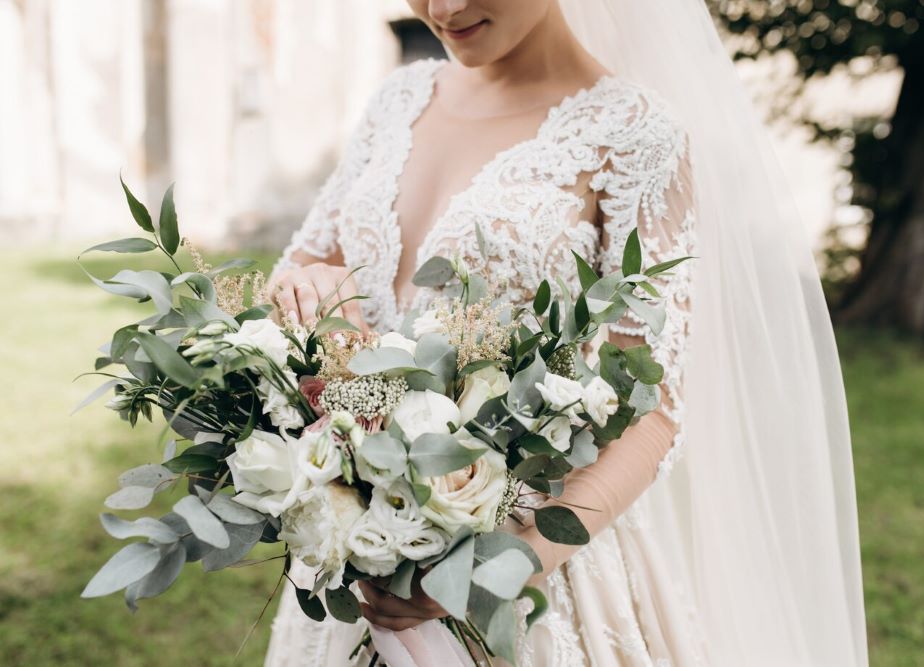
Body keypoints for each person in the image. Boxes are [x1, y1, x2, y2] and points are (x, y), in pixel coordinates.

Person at [264, 1, 869, 665]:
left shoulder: (635, 135)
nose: (442, 8)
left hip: (529, 568)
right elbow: (311, 262)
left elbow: (653, 410)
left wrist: (495, 569)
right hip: (356, 559)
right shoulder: (398, 99)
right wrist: (313, 299)